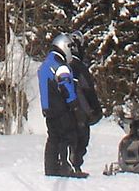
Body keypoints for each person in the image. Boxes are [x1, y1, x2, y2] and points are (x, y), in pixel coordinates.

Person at [37, 32, 83, 177]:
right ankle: (67, 167)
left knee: (53, 139)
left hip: (48, 109)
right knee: (69, 136)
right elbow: (65, 86)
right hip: (61, 108)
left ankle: (51, 168)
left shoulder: (46, 64)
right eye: (69, 46)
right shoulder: (60, 65)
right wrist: (74, 105)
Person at [66, 32, 102, 175]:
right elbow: (88, 90)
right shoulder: (79, 67)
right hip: (80, 108)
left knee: (71, 137)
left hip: (67, 108)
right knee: (81, 138)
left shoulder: (64, 65)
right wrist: (95, 109)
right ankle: (74, 164)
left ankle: (71, 164)